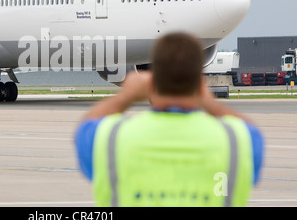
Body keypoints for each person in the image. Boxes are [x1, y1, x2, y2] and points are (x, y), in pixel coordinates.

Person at [75, 32, 263, 207]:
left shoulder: (111, 138)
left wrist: (126, 96)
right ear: (200, 83)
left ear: (150, 80)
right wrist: (209, 102)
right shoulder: (236, 141)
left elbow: (85, 128)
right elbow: (252, 132)